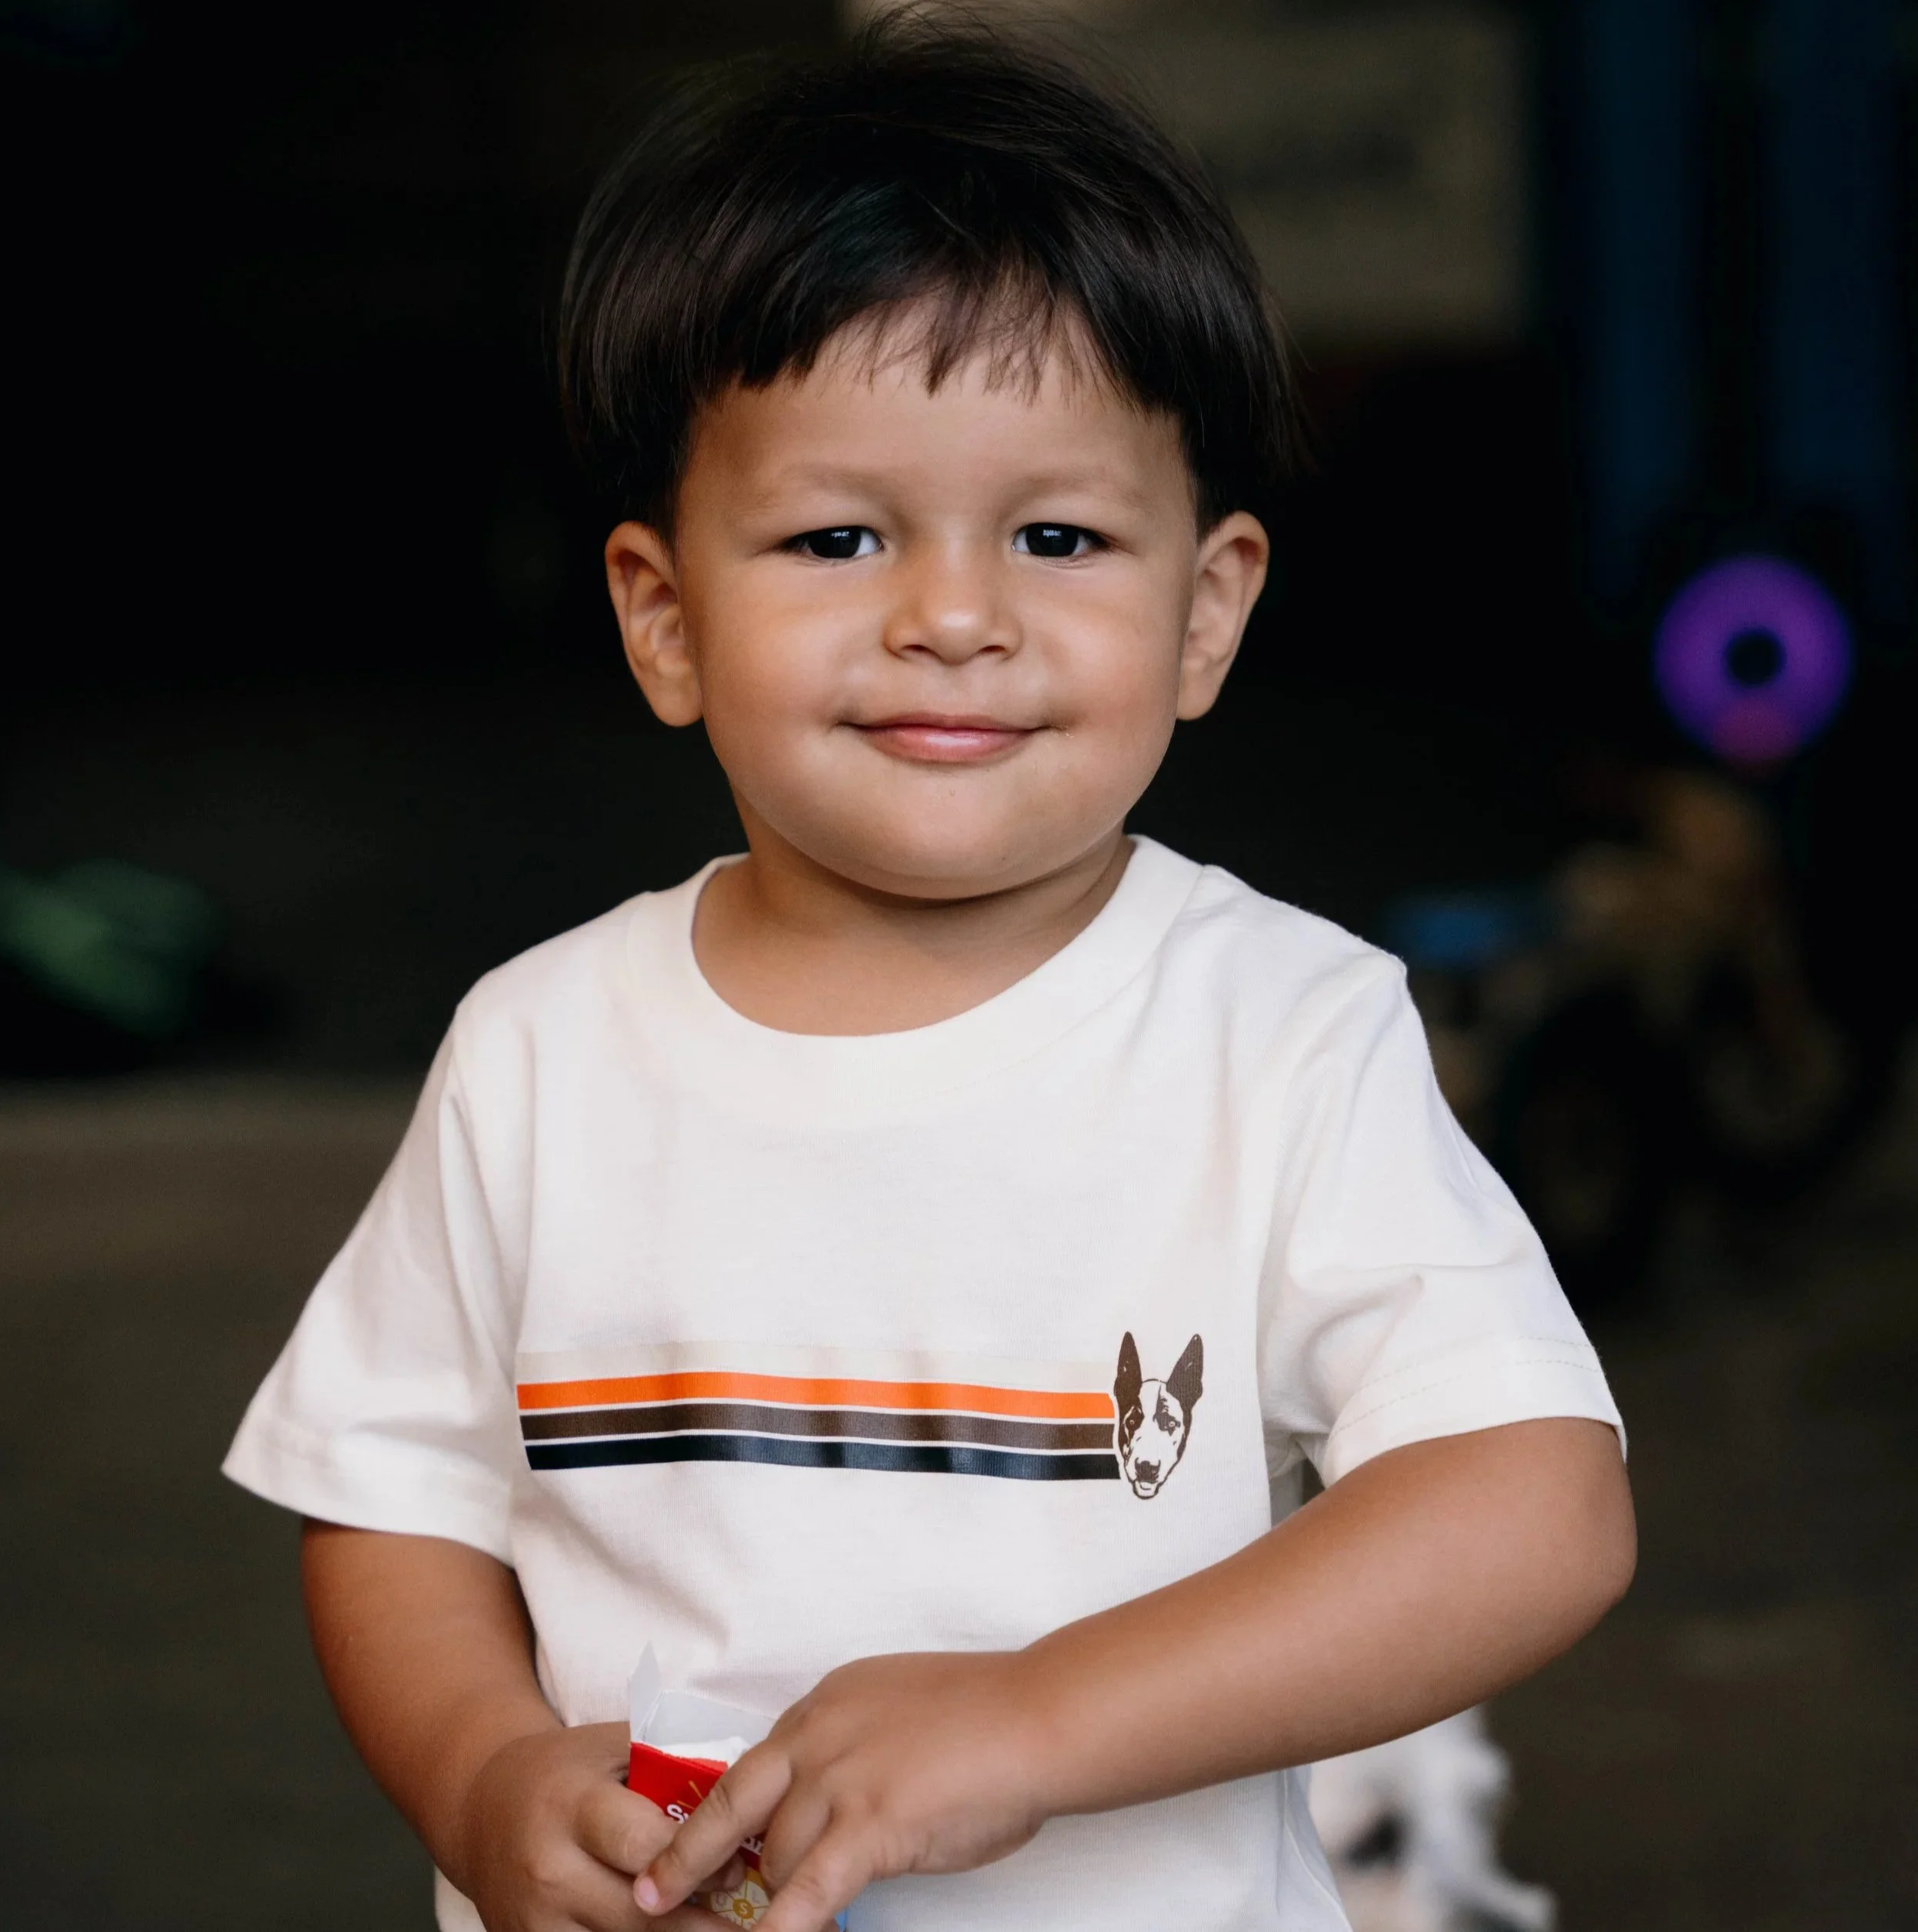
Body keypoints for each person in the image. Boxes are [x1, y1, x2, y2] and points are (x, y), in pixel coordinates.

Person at [224, 19, 1634, 1932]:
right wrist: (480, 1769)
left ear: (1203, 608)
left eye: (1057, 534)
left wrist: (1041, 1719)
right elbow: (393, 1495)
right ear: (664, 616)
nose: (952, 616)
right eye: (836, 534)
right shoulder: (542, 1051)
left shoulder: (1279, 1033)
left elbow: (1529, 1505)